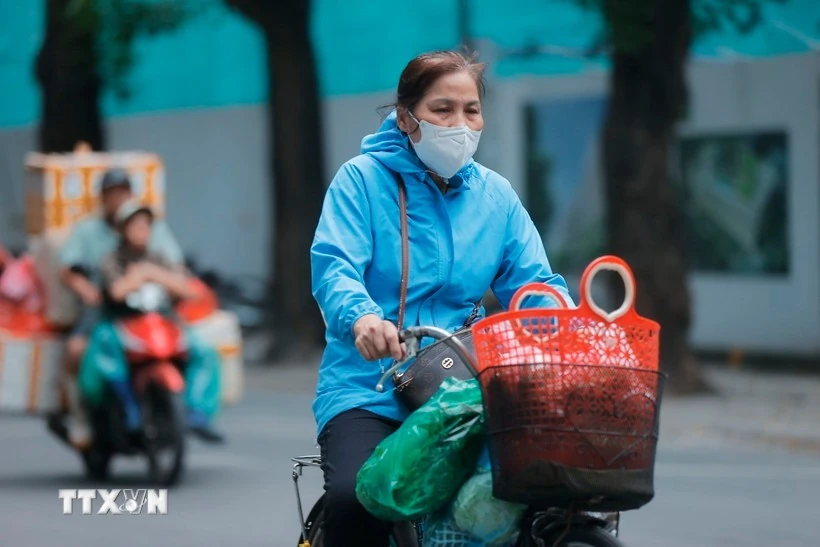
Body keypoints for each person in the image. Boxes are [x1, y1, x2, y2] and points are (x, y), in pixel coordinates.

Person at [310, 49, 573, 546]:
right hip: (371, 386)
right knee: (355, 500)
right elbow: (335, 267)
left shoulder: (496, 196)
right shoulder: (361, 180)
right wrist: (362, 318)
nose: (460, 124)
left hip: (467, 387)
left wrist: (565, 328)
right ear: (406, 118)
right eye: (442, 109)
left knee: (537, 492)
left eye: (471, 110)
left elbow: (535, 286)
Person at [78, 200, 224, 443]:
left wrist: (150, 272)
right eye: (135, 225)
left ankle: (197, 413)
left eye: (145, 225)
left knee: (203, 351)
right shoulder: (113, 259)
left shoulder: (160, 258)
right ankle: (128, 406)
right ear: (123, 230)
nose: (141, 230)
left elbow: (189, 290)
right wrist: (140, 277)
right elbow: (116, 292)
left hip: (161, 325)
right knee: (106, 348)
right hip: (123, 324)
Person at [58, 168, 183, 448]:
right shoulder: (104, 249)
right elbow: (81, 276)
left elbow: (180, 273)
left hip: (149, 310)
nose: (141, 231)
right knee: (82, 350)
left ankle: (181, 412)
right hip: (108, 309)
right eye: (112, 194)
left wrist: (157, 276)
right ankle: (83, 416)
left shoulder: (154, 241)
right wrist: (92, 291)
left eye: (123, 193)